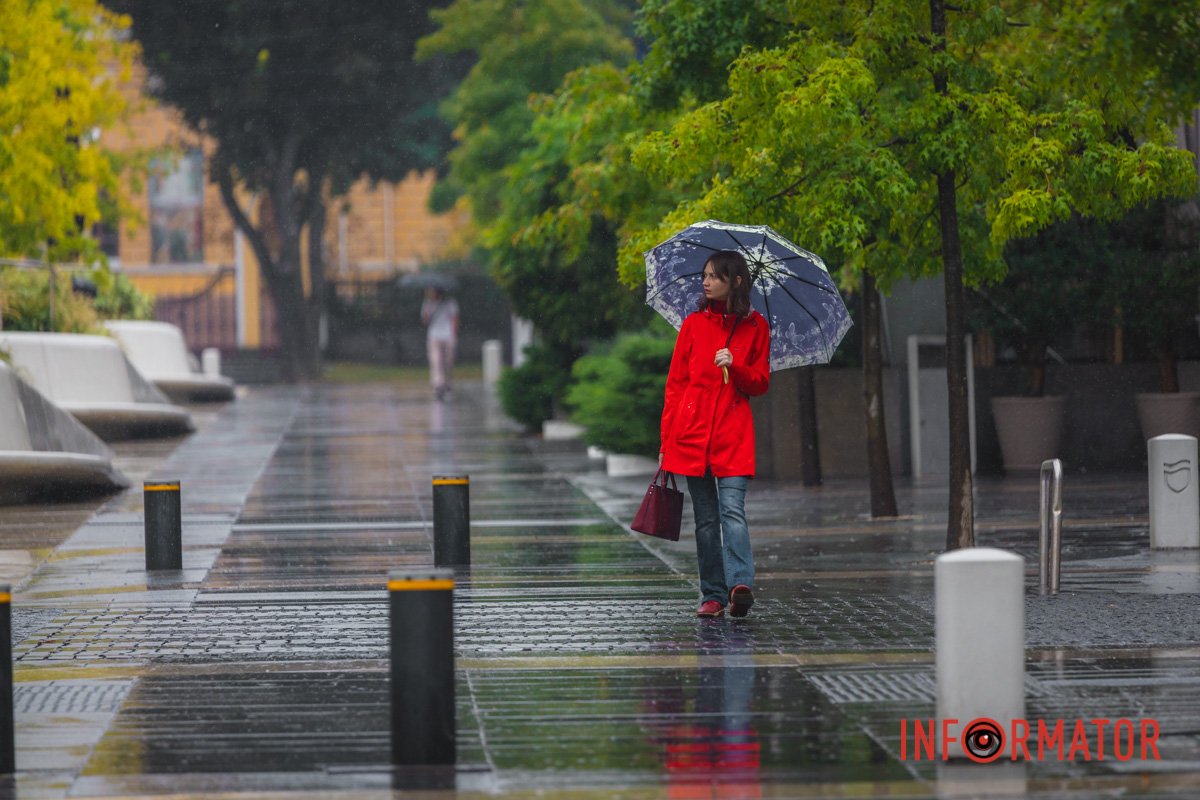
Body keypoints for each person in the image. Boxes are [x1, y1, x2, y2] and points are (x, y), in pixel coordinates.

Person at [659, 250, 770, 618]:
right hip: (692, 437)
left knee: (732, 512)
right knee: (706, 521)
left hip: (733, 436)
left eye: (713, 276)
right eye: (704, 276)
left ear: (735, 281)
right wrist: (666, 442)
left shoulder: (756, 328)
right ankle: (712, 595)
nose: (705, 282)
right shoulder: (693, 325)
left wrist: (734, 366)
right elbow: (675, 386)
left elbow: (760, 383)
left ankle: (740, 585)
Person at [420, 286, 459, 400]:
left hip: (448, 335)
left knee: (447, 362)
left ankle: (447, 384)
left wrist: (454, 335)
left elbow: (455, 319)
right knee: (436, 361)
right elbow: (424, 321)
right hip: (434, 336)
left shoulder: (450, 303)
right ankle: (438, 385)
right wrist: (427, 309)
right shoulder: (427, 303)